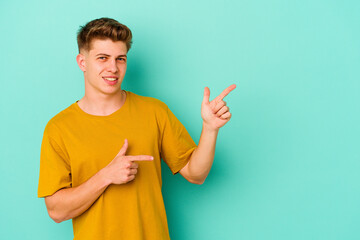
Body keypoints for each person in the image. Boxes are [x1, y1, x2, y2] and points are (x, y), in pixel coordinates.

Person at [37, 17, 236, 240]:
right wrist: (105, 176)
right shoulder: (59, 128)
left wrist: (210, 129)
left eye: (120, 59)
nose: (113, 68)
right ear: (82, 62)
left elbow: (196, 174)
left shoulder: (154, 112)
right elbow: (56, 210)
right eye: (102, 58)